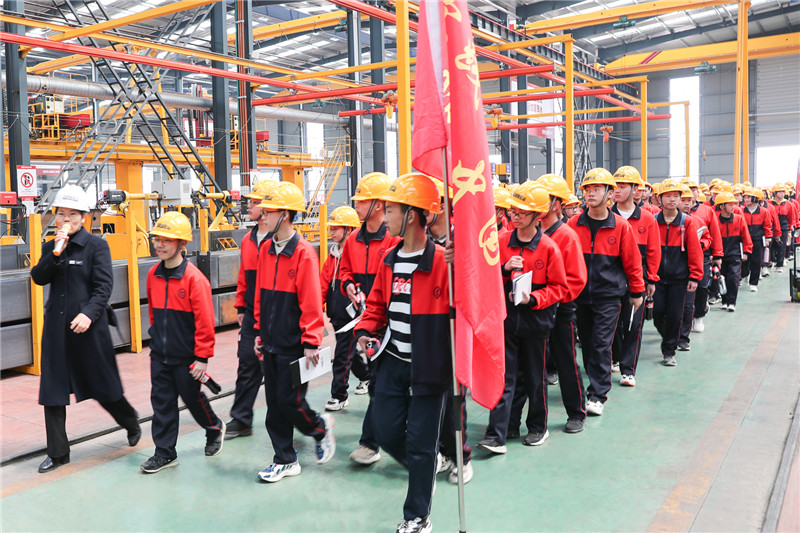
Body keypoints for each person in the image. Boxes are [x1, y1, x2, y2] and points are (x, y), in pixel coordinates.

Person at [355, 173, 451, 533]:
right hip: (393, 362)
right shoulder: (389, 259)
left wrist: (461, 267)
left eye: (391, 209)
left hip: (430, 366)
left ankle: (417, 517)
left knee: (421, 443)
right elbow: (377, 304)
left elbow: (466, 305)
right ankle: (425, 466)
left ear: (411, 215)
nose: (386, 215)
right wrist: (365, 331)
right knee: (385, 431)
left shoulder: (442, 262)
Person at [31, 185, 140, 474]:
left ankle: (130, 421)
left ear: (83, 217)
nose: (65, 219)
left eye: (72, 214)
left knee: (102, 384)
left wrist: (88, 314)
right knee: (53, 390)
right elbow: (38, 277)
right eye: (61, 214)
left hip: (88, 329)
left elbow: (103, 287)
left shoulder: (96, 247)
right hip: (57, 328)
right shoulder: (51, 246)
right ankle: (58, 453)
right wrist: (56, 253)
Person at [253, 182, 335, 482]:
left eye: (268, 212)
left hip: (295, 344)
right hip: (271, 341)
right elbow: (260, 294)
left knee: (291, 403)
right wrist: (259, 332)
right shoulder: (265, 249)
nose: (262, 217)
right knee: (274, 405)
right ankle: (285, 459)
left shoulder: (303, 254)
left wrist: (312, 340)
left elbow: (311, 301)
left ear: (285, 214)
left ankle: (319, 428)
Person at [478, 181, 567, 452]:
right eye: (512, 211)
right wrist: (503, 269)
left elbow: (560, 288)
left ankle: (538, 428)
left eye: (521, 212)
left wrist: (534, 298)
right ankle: (499, 432)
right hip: (507, 322)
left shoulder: (549, 248)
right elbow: (485, 277)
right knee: (504, 378)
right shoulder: (501, 241)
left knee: (535, 379)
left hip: (536, 324)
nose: (514, 216)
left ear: (537, 215)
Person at [141, 211, 225, 474]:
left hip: (187, 356)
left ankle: (214, 428)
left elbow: (204, 321)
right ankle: (164, 453)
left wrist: (202, 357)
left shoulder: (194, 279)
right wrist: (155, 340)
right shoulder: (153, 275)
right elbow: (153, 314)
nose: (160, 244)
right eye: (157, 239)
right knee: (162, 403)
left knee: (192, 398)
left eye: (167, 240)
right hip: (160, 354)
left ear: (182, 243)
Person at [568, 168, 644, 416]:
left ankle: (597, 395)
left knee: (602, 344)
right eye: (587, 189)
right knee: (588, 344)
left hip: (609, 297)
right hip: (579, 297)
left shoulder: (621, 227)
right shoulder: (573, 224)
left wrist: (637, 292)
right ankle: (593, 382)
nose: (590, 194)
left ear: (610, 194)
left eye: (597, 189)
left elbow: (633, 262)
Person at [339, 172, 401, 466]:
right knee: (378, 384)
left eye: (362, 201)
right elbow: (345, 271)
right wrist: (349, 285)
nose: (357, 206)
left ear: (378, 205)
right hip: (368, 322)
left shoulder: (395, 240)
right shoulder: (353, 239)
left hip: (394, 323)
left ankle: (375, 442)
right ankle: (371, 442)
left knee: (388, 385)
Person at [535, 174, 589, 431]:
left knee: (566, 361)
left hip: (559, 310)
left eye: (544, 198)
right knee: (533, 366)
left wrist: (554, 298)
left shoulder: (566, 236)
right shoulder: (530, 232)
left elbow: (576, 279)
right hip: (534, 308)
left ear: (557, 204)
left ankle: (577, 413)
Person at [225, 180, 277, 439]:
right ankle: (241, 419)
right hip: (251, 314)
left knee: (278, 369)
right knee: (247, 363)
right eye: (250, 201)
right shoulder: (247, 240)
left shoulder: (279, 240)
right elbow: (244, 276)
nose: (249, 205)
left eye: (255, 202)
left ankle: (292, 413)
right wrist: (240, 306)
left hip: (275, 313)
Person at [610, 166, 660, 386]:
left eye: (623, 186)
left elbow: (653, 251)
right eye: (616, 186)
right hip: (610, 279)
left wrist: (651, 279)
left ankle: (628, 370)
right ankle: (615, 357)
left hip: (637, 280)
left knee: (633, 324)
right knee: (612, 323)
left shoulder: (647, 219)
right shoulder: (607, 216)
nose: (618, 190)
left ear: (635, 189)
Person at [652, 180, 704, 367]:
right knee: (657, 313)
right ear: (660, 199)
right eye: (667, 196)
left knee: (675, 315)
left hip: (679, 279)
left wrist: (695, 276)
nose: (672, 199)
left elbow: (694, 250)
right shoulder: (653, 221)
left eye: (676, 196)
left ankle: (669, 351)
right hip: (657, 278)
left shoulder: (686, 222)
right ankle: (669, 336)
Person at [320, 206, 365, 411]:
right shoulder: (332, 256)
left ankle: (339, 395)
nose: (331, 232)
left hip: (353, 316)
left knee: (342, 354)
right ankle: (366, 376)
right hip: (337, 315)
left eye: (335, 229)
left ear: (349, 229)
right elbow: (323, 284)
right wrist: (317, 309)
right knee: (347, 353)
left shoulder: (358, 254)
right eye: (331, 229)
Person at [684, 179, 723, 334]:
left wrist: (717, 254)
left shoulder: (706, 211)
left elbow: (714, 234)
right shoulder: (672, 213)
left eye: (693, 189)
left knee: (701, 287)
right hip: (680, 256)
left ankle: (698, 315)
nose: (690, 192)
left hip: (702, 255)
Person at [716, 191, 753, 312]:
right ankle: (724, 300)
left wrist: (746, 251)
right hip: (720, 255)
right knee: (722, 278)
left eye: (734, 204)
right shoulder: (715, 221)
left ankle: (732, 302)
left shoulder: (739, 219)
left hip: (735, 254)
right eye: (730, 204)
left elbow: (746, 236)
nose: (733, 207)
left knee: (733, 278)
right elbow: (712, 238)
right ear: (722, 206)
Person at [741, 187, 772, 292]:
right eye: (745, 197)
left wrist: (768, 238)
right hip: (744, 241)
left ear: (755, 198)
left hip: (757, 240)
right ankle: (745, 274)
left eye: (748, 197)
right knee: (744, 260)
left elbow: (767, 226)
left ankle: (753, 283)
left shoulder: (763, 212)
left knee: (756, 261)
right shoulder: (741, 211)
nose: (746, 199)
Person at [770, 183, 796, 273]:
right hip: (772, 226)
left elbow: (790, 217)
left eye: (783, 192)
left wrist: (790, 227)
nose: (782, 194)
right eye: (780, 192)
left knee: (782, 245)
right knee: (771, 245)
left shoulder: (788, 204)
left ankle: (779, 265)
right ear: (775, 193)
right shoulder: (769, 203)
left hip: (784, 226)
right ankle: (771, 261)